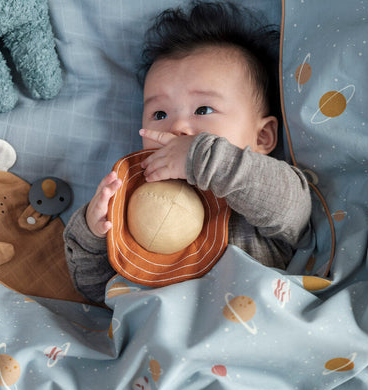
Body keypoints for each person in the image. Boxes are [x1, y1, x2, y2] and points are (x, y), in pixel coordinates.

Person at [64, 1, 312, 303]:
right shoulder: (135, 201)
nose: (178, 127)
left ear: (262, 136)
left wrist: (201, 158)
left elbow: (295, 209)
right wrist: (93, 235)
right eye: (159, 114)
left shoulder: (259, 201)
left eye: (203, 109)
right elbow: (94, 291)